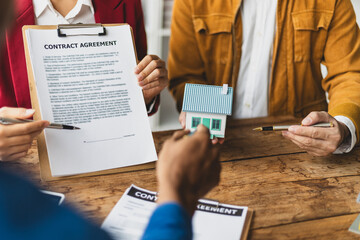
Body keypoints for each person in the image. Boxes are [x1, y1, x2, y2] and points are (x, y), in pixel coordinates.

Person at [168, 0, 360, 156]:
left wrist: (343, 125)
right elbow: (186, 75)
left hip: (303, 150)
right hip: (219, 151)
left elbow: (349, 74)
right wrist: (203, 114)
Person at [0, 0, 169, 161]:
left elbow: (191, 79)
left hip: (109, 156)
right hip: (23, 166)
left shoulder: (127, 4)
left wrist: (145, 94)